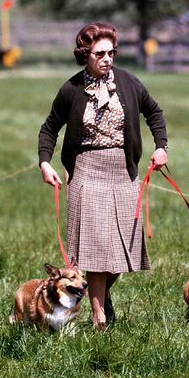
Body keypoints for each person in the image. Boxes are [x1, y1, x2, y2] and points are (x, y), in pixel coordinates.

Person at [38, 22, 168, 330]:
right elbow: (49, 129)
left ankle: (101, 295)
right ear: (85, 54)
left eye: (112, 52)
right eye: (100, 53)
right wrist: (45, 163)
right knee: (96, 250)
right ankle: (100, 319)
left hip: (123, 171)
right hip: (87, 171)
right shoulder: (71, 90)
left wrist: (161, 147)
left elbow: (155, 113)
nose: (107, 58)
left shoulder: (129, 82)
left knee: (121, 253)